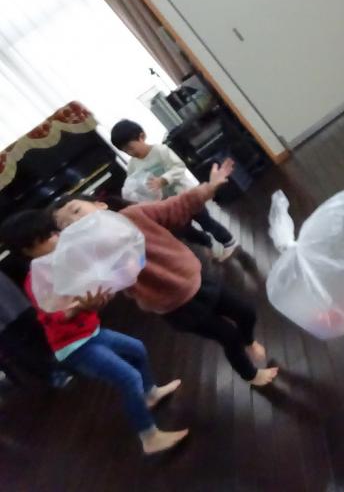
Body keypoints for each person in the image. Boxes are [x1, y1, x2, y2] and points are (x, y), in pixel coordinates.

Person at [50, 159, 278, 389]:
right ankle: (251, 376)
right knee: (228, 336)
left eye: (76, 211)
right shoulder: (93, 258)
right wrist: (90, 304)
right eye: (65, 225)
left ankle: (249, 341)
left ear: (100, 206)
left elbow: (176, 206)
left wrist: (209, 188)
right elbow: (103, 290)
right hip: (175, 307)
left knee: (246, 312)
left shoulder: (133, 216)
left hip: (197, 281)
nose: (74, 221)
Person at [0, 210, 187, 455]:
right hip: (73, 347)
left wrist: (99, 298)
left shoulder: (65, 263)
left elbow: (93, 288)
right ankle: (149, 437)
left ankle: (150, 394)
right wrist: (77, 310)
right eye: (44, 238)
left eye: (53, 232)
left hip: (91, 333)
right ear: (28, 250)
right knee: (128, 377)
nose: (55, 238)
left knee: (137, 349)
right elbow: (51, 316)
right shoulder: (36, 281)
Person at [110, 119, 238, 261]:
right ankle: (206, 246)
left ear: (142, 136)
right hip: (169, 204)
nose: (130, 152)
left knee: (205, 221)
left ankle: (228, 242)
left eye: (130, 147)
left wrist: (163, 180)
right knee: (185, 230)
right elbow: (134, 182)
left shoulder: (160, 151)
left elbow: (179, 167)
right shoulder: (132, 165)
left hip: (186, 194)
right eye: (125, 151)